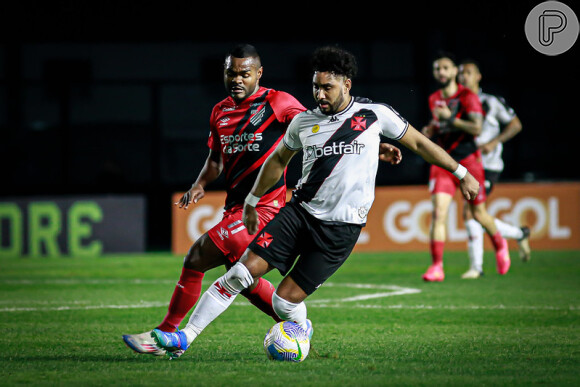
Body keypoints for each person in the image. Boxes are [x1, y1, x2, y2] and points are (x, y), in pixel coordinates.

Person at [149, 45, 481, 359]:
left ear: (346, 84)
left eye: (327, 87)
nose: (320, 94)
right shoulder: (304, 122)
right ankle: (185, 337)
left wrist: (461, 171)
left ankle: (299, 328)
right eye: (315, 87)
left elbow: (421, 145)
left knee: (283, 302)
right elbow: (276, 162)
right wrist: (251, 201)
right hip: (299, 214)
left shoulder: (374, 115)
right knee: (240, 273)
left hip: (341, 229)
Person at [122, 44, 306, 356]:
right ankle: (296, 324)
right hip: (234, 209)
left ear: (258, 74)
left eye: (244, 74)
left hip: (264, 209)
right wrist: (199, 185)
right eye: (231, 73)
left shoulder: (277, 101)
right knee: (244, 280)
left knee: (195, 258)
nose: (237, 79)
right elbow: (216, 160)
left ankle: (166, 336)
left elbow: (310, 126)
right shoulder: (220, 111)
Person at [421, 52, 510, 282]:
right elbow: (440, 126)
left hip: (469, 162)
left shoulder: (468, 96)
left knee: (478, 214)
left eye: (445, 68)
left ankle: (500, 243)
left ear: (454, 72)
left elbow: (476, 128)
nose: (440, 72)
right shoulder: (433, 98)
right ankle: (437, 267)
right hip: (443, 162)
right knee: (438, 213)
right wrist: (431, 130)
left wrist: (450, 119)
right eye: (437, 68)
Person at [458, 59, 531, 279]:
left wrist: (495, 142)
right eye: (461, 73)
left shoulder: (490, 102)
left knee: (470, 212)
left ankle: (476, 267)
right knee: (474, 213)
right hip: (468, 164)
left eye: (469, 72)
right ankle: (519, 233)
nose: (463, 76)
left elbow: (515, 124)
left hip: (487, 165)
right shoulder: (456, 103)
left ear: (478, 76)